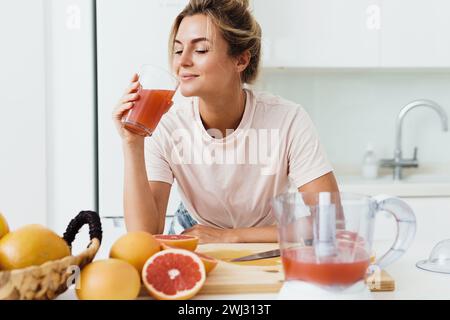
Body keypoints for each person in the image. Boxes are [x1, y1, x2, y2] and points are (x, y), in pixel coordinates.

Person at [112, 0, 339, 243]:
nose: (183, 61)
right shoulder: (167, 126)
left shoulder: (287, 119)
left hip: (264, 239)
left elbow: (331, 221)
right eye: (178, 50)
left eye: (200, 50)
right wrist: (132, 143)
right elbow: (144, 235)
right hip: (194, 236)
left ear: (240, 60)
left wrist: (229, 236)